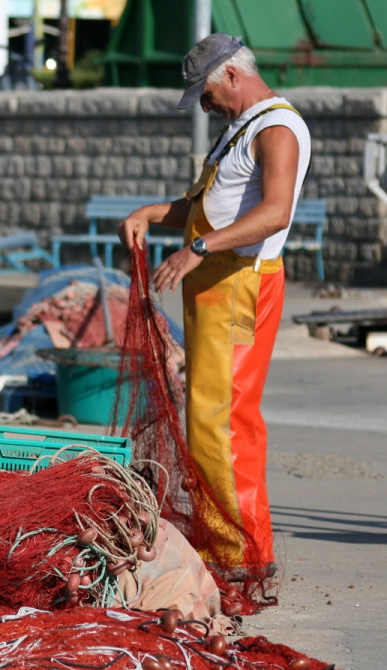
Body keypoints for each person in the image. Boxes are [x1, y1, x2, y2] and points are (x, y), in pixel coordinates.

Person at [117, 34, 312, 578]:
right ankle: (225, 544)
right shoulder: (240, 129)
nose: (205, 108)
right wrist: (151, 213)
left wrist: (198, 249)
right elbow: (208, 205)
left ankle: (239, 552)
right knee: (207, 418)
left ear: (232, 74)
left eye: (206, 95)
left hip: (238, 285)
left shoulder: (277, 127)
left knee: (222, 420)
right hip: (214, 286)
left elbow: (275, 212)